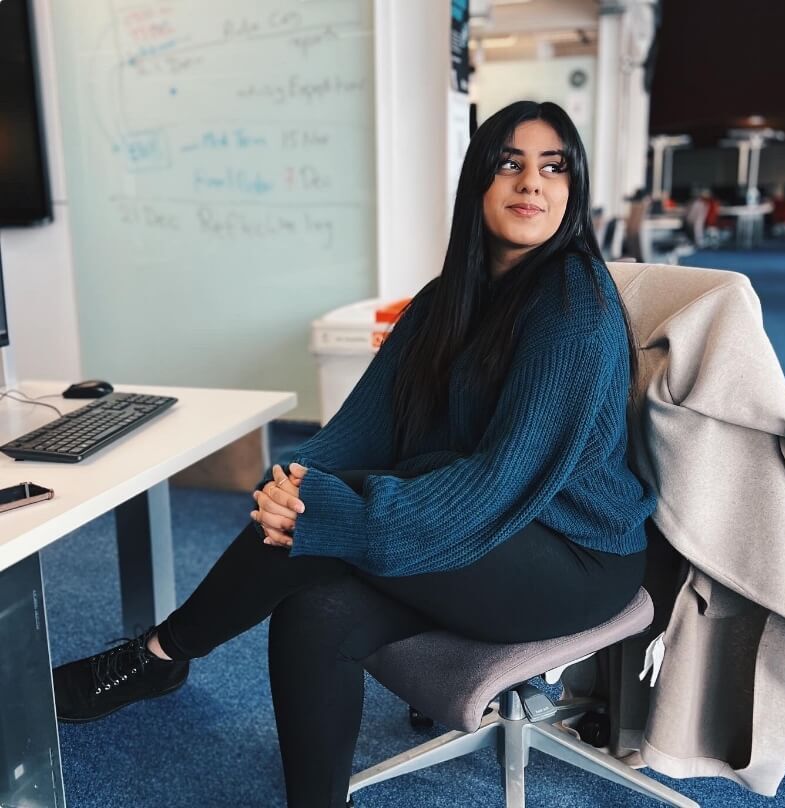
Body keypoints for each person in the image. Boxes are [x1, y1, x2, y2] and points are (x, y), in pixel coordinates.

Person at [53, 100, 657, 808]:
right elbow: (365, 425)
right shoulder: (446, 300)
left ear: (573, 190)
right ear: (478, 183)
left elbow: (498, 483)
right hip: (475, 535)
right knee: (315, 613)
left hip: (572, 557)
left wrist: (333, 515)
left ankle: (159, 656)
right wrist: (294, 478)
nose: (532, 183)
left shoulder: (573, 301)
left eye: (553, 168)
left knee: (351, 508)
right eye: (509, 164)